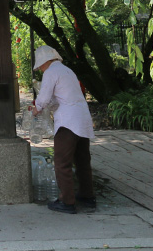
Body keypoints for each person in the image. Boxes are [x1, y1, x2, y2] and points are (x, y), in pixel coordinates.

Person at [31, 45, 95, 214]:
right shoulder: (67, 71)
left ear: (44, 62)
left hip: (68, 121)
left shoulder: (51, 72)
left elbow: (44, 97)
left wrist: (36, 109)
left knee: (62, 161)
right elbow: (58, 98)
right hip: (82, 117)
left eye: (40, 66)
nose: (40, 69)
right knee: (82, 160)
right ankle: (87, 196)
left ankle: (67, 201)